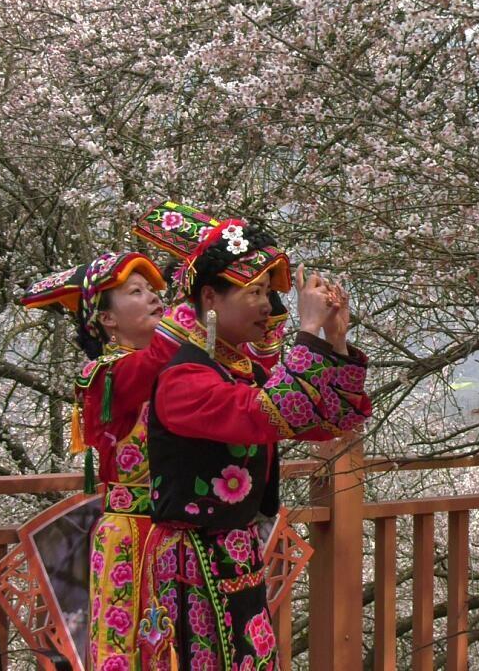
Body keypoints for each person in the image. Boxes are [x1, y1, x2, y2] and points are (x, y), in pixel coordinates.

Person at [130, 202, 372, 670]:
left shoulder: (235, 372)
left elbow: (329, 421)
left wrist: (336, 341)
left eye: (268, 292)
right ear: (209, 300)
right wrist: (306, 331)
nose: (267, 306)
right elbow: (275, 411)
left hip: (237, 553)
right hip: (193, 561)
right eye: (254, 291)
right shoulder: (184, 379)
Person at [17, 250, 173, 670]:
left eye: (155, 291)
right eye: (137, 292)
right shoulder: (108, 375)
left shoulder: (171, 366)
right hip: (130, 531)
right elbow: (157, 358)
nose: (157, 299)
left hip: (175, 529)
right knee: (124, 645)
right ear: (107, 320)